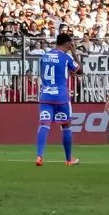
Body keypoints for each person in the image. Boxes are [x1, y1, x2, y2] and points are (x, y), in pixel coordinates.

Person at [34, 31, 79, 166]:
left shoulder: (45, 56)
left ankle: (39, 156)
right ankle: (68, 159)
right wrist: (74, 53)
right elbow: (80, 71)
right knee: (66, 125)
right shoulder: (66, 57)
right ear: (68, 44)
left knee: (44, 124)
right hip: (61, 96)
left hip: (46, 95)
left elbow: (43, 73)